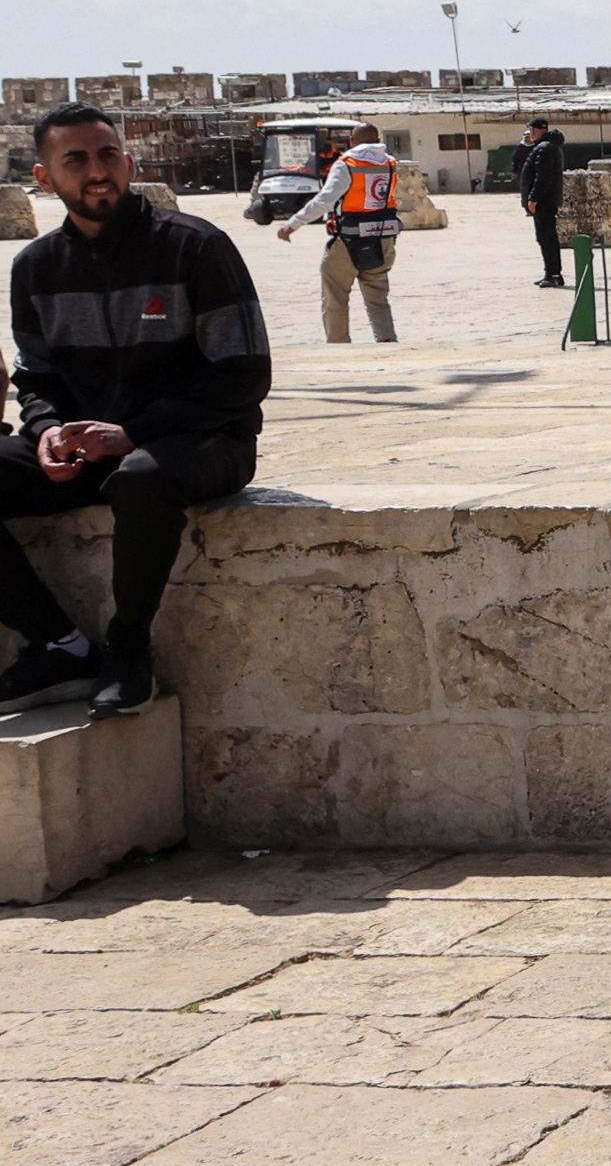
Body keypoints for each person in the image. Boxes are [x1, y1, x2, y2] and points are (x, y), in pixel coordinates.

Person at [0, 105, 268, 716]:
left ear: (128, 162)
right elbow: (36, 375)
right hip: (95, 449)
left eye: (108, 156)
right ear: (45, 178)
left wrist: (131, 433)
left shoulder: (195, 247)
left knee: (142, 477)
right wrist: (45, 433)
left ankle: (127, 650)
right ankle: (58, 645)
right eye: (77, 160)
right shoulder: (35, 268)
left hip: (202, 441)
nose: (98, 172)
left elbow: (244, 375)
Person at [274, 123, 404, 345]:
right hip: (383, 238)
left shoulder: (347, 164)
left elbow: (326, 199)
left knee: (335, 296)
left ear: (352, 142)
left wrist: (293, 224)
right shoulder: (390, 163)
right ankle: (387, 340)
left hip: (349, 240)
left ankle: (338, 345)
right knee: (377, 297)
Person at [516, 118, 569, 287]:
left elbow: (542, 177)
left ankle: (553, 274)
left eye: (532, 129)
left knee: (546, 238)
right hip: (546, 200)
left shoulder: (545, 148)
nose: (530, 133)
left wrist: (533, 198)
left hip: (544, 202)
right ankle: (552, 272)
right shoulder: (549, 146)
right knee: (546, 238)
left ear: (539, 130)